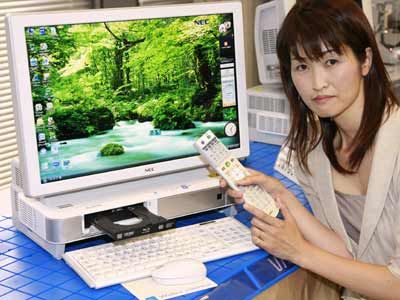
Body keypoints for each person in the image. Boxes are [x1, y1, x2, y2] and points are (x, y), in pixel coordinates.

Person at [222, 1, 400, 299]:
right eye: (302, 66)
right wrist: (279, 193)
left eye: (331, 62)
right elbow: (350, 252)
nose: (317, 84)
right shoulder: (316, 150)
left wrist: (299, 252)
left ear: (365, 60)